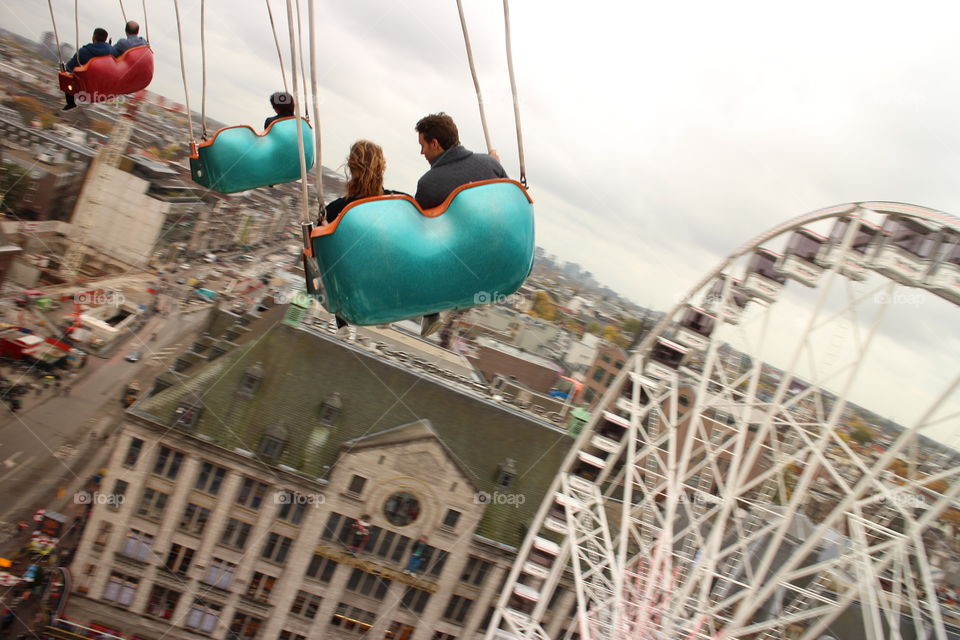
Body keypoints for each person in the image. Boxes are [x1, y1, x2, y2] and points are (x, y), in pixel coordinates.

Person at [413, 112, 507, 336]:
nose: (421, 152)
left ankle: (429, 310)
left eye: (423, 145)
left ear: (435, 144)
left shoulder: (429, 184)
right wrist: (494, 163)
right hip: (499, 257)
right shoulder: (490, 165)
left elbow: (417, 234)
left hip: (461, 263)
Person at [322, 140, 407, 331]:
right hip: (384, 280)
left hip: (352, 283)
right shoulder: (401, 202)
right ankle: (389, 307)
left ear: (351, 168)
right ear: (382, 168)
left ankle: (341, 319)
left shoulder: (335, 210)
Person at [62, 28, 112, 111]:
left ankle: (71, 103)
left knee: (67, 76)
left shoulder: (84, 52)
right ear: (105, 39)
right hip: (101, 86)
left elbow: (69, 68)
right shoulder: (111, 51)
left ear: (94, 37)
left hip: (85, 87)